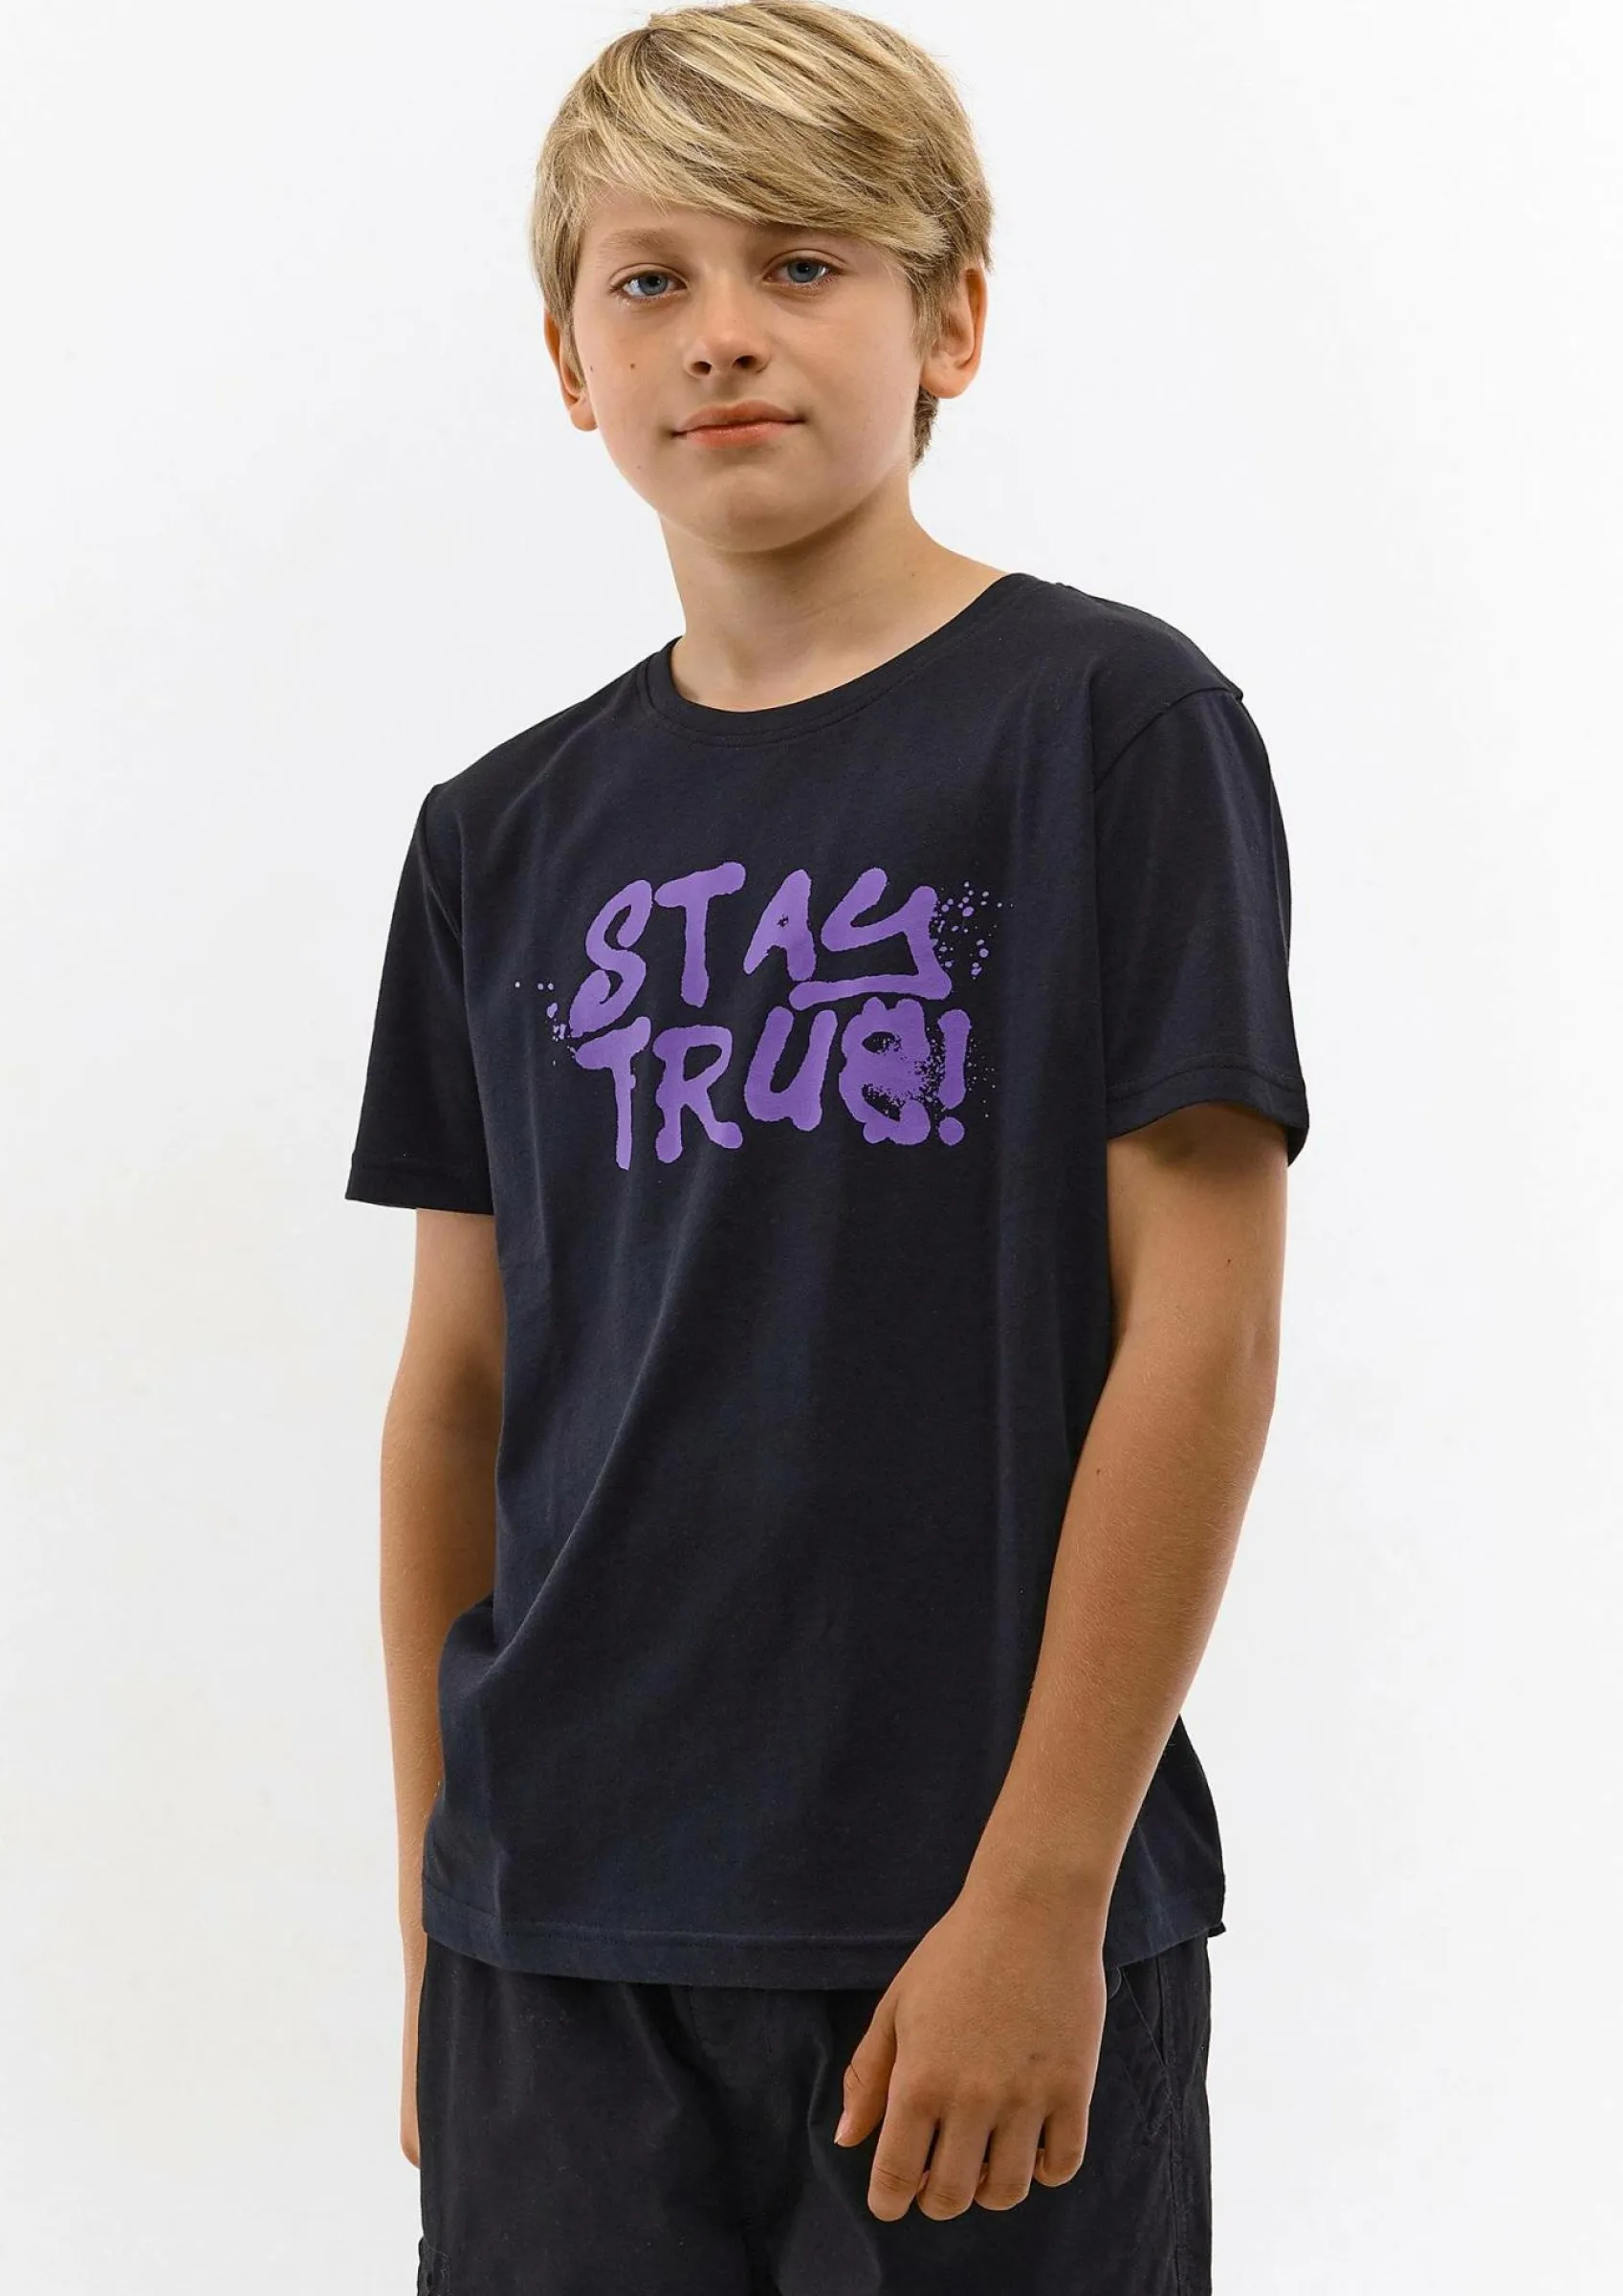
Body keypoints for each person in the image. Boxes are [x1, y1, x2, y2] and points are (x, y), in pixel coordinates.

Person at [344, 5, 1310, 2289]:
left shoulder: (1108, 730)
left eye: (802, 264)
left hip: (961, 1910)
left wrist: (1043, 1892)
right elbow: (458, 1394)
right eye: (649, 279)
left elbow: (1200, 1332)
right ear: (571, 360)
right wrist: (433, 1923)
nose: (721, 333)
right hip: (557, 1931)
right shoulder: (497, 836)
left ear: (948, 320)